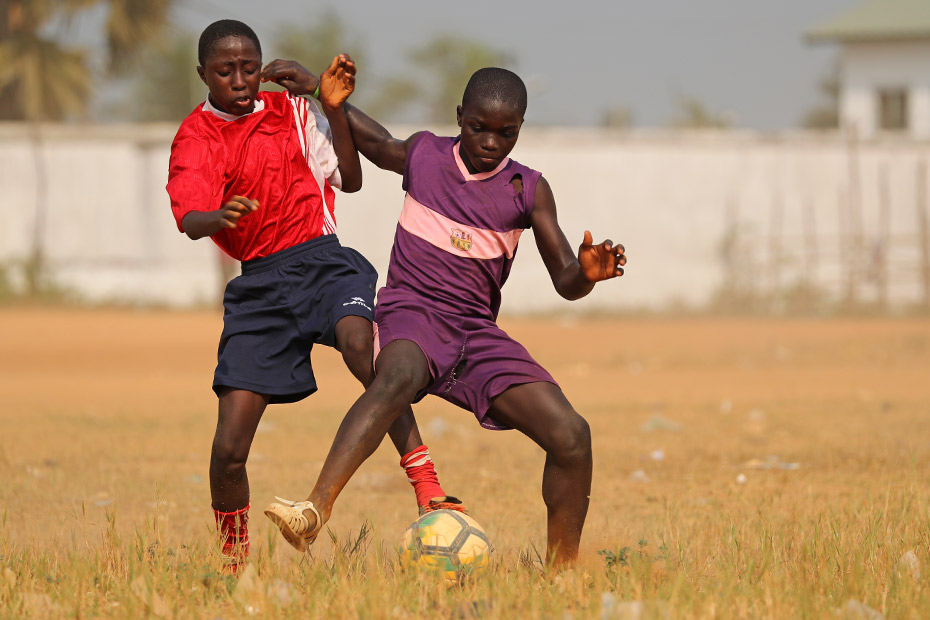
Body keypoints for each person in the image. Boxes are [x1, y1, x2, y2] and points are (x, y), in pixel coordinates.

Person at [261, 59, 627, 569]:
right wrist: (321, 95)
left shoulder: (529, 189)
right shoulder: (426, 154)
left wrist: (587, 273)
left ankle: (563, 572)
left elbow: (565, 281)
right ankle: (314, 510)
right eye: (479, 128)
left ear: (520, 130)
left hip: (476, 334)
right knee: (398, 376)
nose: (491, 142)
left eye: (507, 133)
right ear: (460, 116)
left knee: (572, 435)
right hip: (413, 312)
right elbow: (378, 142)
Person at [166, 20, 459, 573]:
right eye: (225, 70)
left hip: (323, 261)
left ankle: (428, 485)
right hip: (259, 288)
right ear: (203, 73)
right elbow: (189, 218)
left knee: (361, 348)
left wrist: (331, 105)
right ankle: (233, 564)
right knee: (228, 449)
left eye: (248, 68)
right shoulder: (195, 135)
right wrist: (216, 217)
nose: (240, 79)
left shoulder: (294, 113)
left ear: (261, 67)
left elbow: (350, 179)